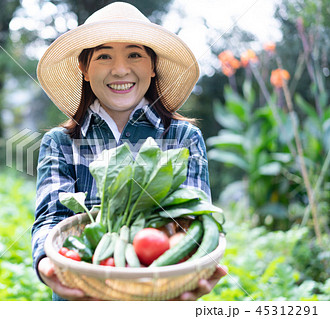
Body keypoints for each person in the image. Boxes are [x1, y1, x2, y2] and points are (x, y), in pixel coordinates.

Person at [31, 2, 227, 301]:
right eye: (104, 56)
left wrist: (194, 264)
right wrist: (46, 262)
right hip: (81, 291)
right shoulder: (59, 142)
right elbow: (52, 219)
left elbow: (193, 220)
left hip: (160, 290)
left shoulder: (184, 138)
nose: (120, 69)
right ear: (84, 69)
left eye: (135, 54)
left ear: (152, 66)